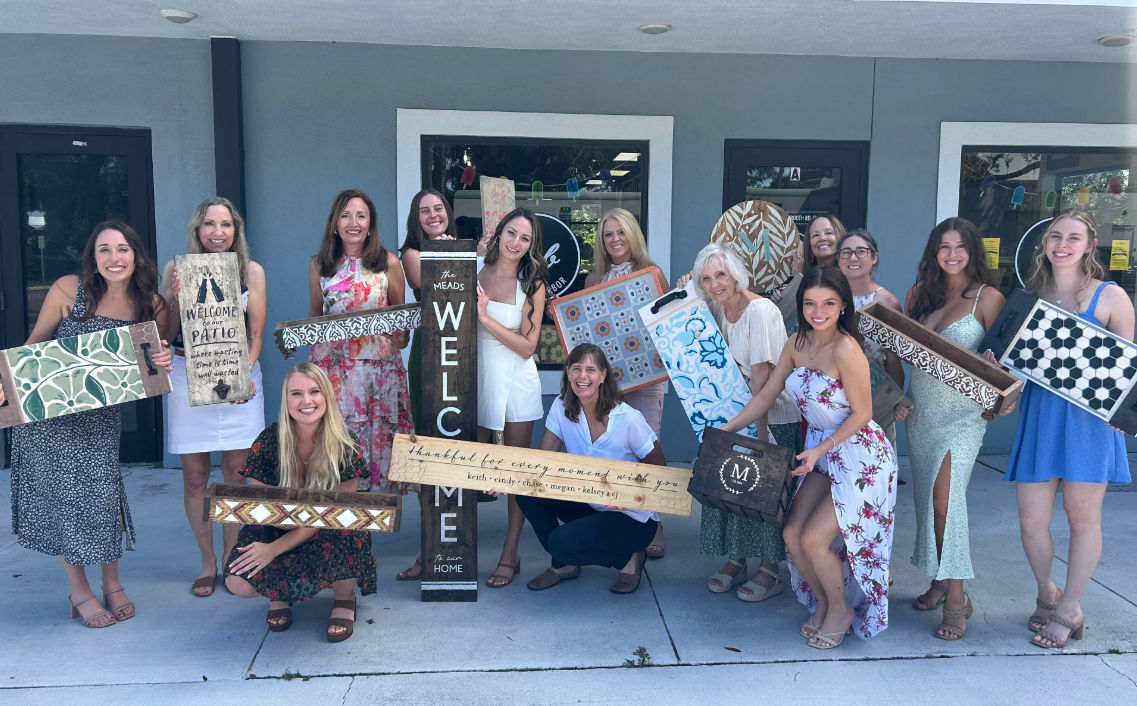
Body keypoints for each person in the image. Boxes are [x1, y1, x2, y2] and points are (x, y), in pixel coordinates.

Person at [722, 265, 897, 649]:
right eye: (810, 303)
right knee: (791, 534)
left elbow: (863, 414)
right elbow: (766, 396)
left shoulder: (846, 349)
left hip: (859, 454)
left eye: (829, 304)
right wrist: (728, 429)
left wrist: (821, 447)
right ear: (800, 306)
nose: (819, 312)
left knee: (816, 539)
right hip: (820, 451)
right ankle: (825, 602)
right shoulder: (796, 343)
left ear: (842, 306)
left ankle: (840, 610)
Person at [7, 221, 172, 628]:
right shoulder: (69, 289)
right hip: (49, 416)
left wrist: (162, 361)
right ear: (93, 258)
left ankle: (112, 583)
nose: (114, 258)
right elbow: (35, 343)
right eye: (104, 250)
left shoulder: (151, 305)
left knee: (103, 500)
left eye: (122, 249)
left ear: (136, 256)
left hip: (99, 419)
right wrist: (6, 385)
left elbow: (155, 366)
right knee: (66, 502)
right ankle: (79, 591)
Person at [1002, 209, 1132, 649]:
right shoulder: (1029, 295)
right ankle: (1047, 592)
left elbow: (1128, 371)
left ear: (1089, 245)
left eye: (1073, 237)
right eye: (1056, 236)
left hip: (1090, 422)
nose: (1062, 244)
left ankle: (1071, 607)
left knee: (1082, 518)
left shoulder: (1111, 297)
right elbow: (1013, 364)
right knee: (1031, 518)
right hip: (1041, 415)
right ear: (1044, 243)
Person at [678, 243, 802, 602]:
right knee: (730, 489)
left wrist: (758, 438)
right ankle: (736, 558)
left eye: (721, 274)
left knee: (761, 490)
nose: (715, 283)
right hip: (734, 413)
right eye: (706, 278)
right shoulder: (716, 308)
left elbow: (762, 380)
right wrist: (686, 287)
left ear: (736, 273)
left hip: (770, 416)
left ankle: (769, 569)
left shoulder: (760, 310)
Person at [903, 217, 1006, 640]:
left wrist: (1001, 383)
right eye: (943, 246)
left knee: (947, 502)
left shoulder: (989, 297)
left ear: (973, 251)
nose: (951, 254)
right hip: (922, 411)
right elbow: (904, 353)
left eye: (960, 246)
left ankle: (957, 598)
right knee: (928, 501)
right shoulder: (918, 295)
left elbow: (1004, 363)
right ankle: (938, 580)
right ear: (934, 251)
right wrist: (896, 398)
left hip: (964, 416)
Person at [225, 363, 376, 643]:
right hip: (278, 524)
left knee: (348, 528)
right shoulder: (269, 441)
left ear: (326, 397)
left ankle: (344, 597)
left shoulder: (345, 444)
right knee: (237, 582)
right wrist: (271, 544)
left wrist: (274, 551)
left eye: (314, 391)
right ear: (286, 400)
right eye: (296, 393)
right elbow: (263, 510)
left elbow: (332, 514)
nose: (306, 401)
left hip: (327, 527)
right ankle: (279, 594)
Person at [161, 197, 267, 598]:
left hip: (238, 375)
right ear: (197, 230)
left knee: (237, 475)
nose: (218, 232)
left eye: (226, 225)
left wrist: (244, 375)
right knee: (195, 477)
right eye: (209, 224)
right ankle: (207, 561)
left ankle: (231, 558)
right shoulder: (177, 268)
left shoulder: (251, 272)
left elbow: (256, 335)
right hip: (190, 375)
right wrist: (173, 298)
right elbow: (166, 332)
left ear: (236, 231)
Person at [515, 343, 665, 593]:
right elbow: (540, 464)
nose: (582, 376)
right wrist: (503, 480)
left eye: (590, 370)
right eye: (576, 369)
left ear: (603, 375)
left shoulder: (627, 419)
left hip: (631, 518)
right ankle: (564, 566)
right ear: (567, 373)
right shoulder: (562, 407)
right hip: (591, 503)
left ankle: (628, 559)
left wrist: (628, 496)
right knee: (525, 493)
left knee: (559, 542)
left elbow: (660, 469)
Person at [308, 189, 413, 493]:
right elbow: (314, 322)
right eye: (345, 215)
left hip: (380, 373)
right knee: (339, 448)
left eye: (361, 216)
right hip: (334, 373)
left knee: (383, 449)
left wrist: (400, 336)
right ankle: (342, 531)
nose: (353, 222)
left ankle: (375, 526)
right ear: (334, 223)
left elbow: (401, 330)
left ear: (371, 224)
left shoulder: (389, 263)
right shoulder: (320, 266)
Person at [582, 208, 669, 559]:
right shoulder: (592, 280)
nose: (615, 239)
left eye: (621, 232)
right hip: (608, 385)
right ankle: (617, 520)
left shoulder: (652, 273)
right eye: (608, 234)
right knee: (615, 452)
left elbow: (664, 323)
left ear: (633, 234)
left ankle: (655, 521)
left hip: (646, 379)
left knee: (647, 452)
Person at [475, 207, 549, 588]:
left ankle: (510, 550)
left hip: (517, 379)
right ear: (498, 233)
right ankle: (448, 546)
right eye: (511, 233)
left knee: (514, 471)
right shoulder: (475, 269)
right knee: (467, 463)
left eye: (525, 238)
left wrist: (486, 319)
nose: (516, 243)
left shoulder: (532, 281)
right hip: (476, 377)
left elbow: (527, 346)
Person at [836, 228, 911, 444]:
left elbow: (894, 360)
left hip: (873, 397)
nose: (853, 258)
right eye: (846, 252)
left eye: (861, 251)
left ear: (874, 257)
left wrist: (895, 401)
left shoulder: (887, 303)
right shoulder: (828, 296)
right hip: (831, 398)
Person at [399, 188, 457, 429]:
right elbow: (437, 291)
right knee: (430, 425)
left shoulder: (459, 246)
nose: (433, 215)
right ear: (416, 219)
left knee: (457, 422)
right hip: (430, 347)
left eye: (438, 208)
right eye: (424, 211)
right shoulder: (411, 254)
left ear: (447, 212)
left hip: (460, 343)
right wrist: (449, 253)